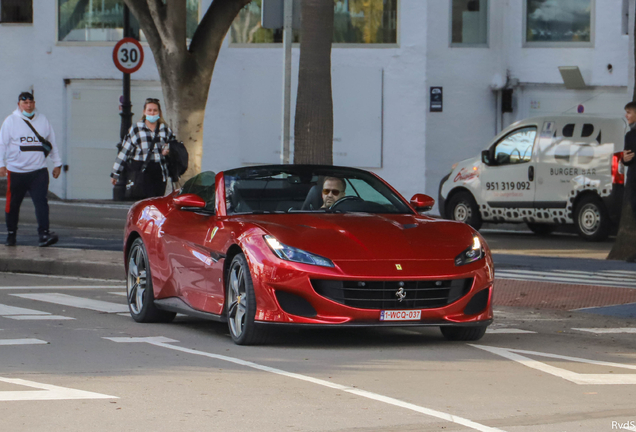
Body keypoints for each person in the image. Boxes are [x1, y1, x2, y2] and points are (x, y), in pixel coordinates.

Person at [0, 92, 62, 247]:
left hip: (38, 171)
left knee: (41, 203)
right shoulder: (10, 121)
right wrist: (1, 164)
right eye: (25, 103)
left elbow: (51, 142)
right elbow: (2, 144)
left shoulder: (43, 120)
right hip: (16, 172)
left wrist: (57, 163)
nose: (28, 106)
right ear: (19, 104)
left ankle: (44, 235)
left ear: (34, 103)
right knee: (12, 205)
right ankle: (11, 234)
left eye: (31, 102)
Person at [110, 98, 174, 198]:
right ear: (144, 112)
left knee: (156, 202)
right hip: (141, 170)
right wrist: (115, 173)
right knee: (143, 201)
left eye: (155, 110)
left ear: (159, 112)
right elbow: (125, 151)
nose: (152, 113)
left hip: (159, 170)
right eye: (149, 110)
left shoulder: (165, 129)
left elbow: (172, 146)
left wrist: (168, 151)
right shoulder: (136, 128)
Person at [623, 102, 636, 216]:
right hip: (633, 182)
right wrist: (624, 159)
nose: (626, 116)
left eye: (628, 113)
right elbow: (628, 158)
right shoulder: (629, 135)